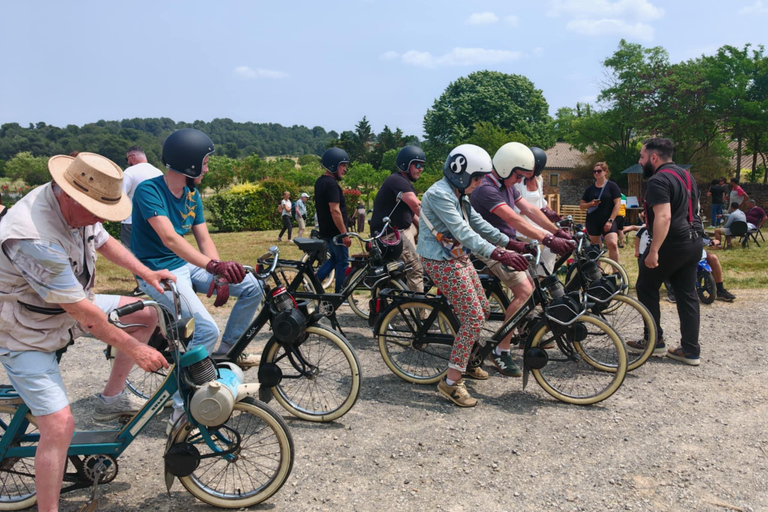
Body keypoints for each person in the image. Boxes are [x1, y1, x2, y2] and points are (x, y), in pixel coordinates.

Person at [0, 152, 173, 512]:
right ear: (68, 194)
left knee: (144, 314)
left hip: (61, 307)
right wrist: (137, 351)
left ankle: (112, 400)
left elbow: (102, 240)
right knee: (60, 425)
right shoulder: (33, 235)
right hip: (24, 329)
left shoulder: (79, 203)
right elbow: (86, 316)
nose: (98, 218)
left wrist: (147, 273)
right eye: (95, 210)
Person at [131, 129, 262, 426]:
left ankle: (227, 355)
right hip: (157, 272)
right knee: (204, 331)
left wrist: (220, 273)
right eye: (204, 162)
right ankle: (181, 408)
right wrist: (214, 268)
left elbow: (203, 240)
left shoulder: (192, 195)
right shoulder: (149, 191)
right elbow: (170, 239)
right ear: (189, 163)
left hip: (186, 266)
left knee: (253, 286)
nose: (207, 168)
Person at [418, 144, 532, 407]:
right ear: (460, 172)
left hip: (456, 256)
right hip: (440, 259)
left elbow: (477, 223)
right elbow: (463, 232)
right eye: (477, 177)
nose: (480, 182)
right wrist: (500, 254)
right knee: (473, 317)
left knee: (481, 306)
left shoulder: (459, 193)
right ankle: (450, 383)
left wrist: (511, 243)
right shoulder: (440, 195)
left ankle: (467, 360)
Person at [471, 142, 573, 377]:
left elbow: (530, 210)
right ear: (506, 168)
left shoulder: (506, 184)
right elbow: (516, 221)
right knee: (525, 291)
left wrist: (556, 231)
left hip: (505, 244)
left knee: (532, 286)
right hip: (487, 247)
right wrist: (549, 239)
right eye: (518, 176)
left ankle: (521, 327)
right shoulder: (487, 188)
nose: (520, 181)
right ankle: (500, 349)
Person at [629, 138, 703, 366]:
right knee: (687, 293)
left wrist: (654, 250)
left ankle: (654, 341)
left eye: (642, 157)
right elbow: (692, 209)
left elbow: (664, 216)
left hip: (672, 243)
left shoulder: (658, 180)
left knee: (645, 286)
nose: (640, 162)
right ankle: (690, 350)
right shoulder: (687, 176)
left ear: (654, 157)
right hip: (694, 241)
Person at [370, 146, 425, 293]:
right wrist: (437, 225)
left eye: (422, 166)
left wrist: (433, 231)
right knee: (416, 268)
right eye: (418, 165)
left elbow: (412, 215)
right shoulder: (397, 181)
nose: (421, 169)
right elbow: (416, 206)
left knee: (430, 238)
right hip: (391, 234)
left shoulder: (403, 182)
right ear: (406, 165)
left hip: (404, 228)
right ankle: (420, 311)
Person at [512, 146, 563, 276]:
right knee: (551, 240)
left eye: (532, 166)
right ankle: (541, 276)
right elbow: (518, 208)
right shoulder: (517, 182)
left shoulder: (539, 180)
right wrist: (537, 212)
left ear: (538, 168)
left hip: (536, 222)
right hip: (522, 225)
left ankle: (542, 275)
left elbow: (542, 202)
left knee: (556, 238)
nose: (528, 169)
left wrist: (556, 217)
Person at [121, 146, 164, 296]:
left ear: (132, 157)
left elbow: (120, 196)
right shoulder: (158, 172)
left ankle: (141, 285)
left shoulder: (129, 172)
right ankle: (159, 281)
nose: (127, 162)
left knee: (131, 254)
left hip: (131, 220)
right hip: (155, 218)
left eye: (127, 159)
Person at [315, 148, 352, 292]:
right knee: (342, 263)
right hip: (336, 233)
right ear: (333, 165)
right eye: (342, 165)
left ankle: (315, 282)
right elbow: (335, 210)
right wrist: (344, 234)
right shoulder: (331, 184)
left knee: (334, 260)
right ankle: (341, 295)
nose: (344, 169)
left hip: (326, 231)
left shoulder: (320, 182)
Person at [579, 162, 622, 264]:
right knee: (596, 248)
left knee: (612, 244)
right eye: (594, 171)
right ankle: (599, 272)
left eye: (599, 171)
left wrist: (610, 220)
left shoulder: (612, 186)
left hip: (608, 220)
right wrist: (591, 204)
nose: (596, 173)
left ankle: (617, 272)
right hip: (593, 221)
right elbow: (582, 205)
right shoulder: (590, 189)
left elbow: (617, 204)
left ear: (605, 172)